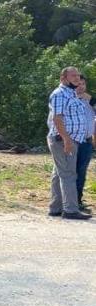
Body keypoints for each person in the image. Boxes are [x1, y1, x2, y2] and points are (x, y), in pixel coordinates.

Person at [47, 67, 91, 220]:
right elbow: (57, 118)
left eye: (78, 75)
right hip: (63, 140)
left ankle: (55, 208)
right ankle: (71, 210)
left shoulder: (71, 94)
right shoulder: (59, 94)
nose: (77, 78)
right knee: (69, 174)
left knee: (59, 173)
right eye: (73, 75)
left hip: (71, 139)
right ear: (63, 78)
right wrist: (66, 139)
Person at [75, 76, 95, 211]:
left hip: (87, 142)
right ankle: (68, 201)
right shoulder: (70, 100)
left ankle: (78, 200)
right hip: (73, 141)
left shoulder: (90, 102)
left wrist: (92, 100)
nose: (81, 87)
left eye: (83, 84)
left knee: (81, 172)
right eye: (78, 84)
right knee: (70, 172)